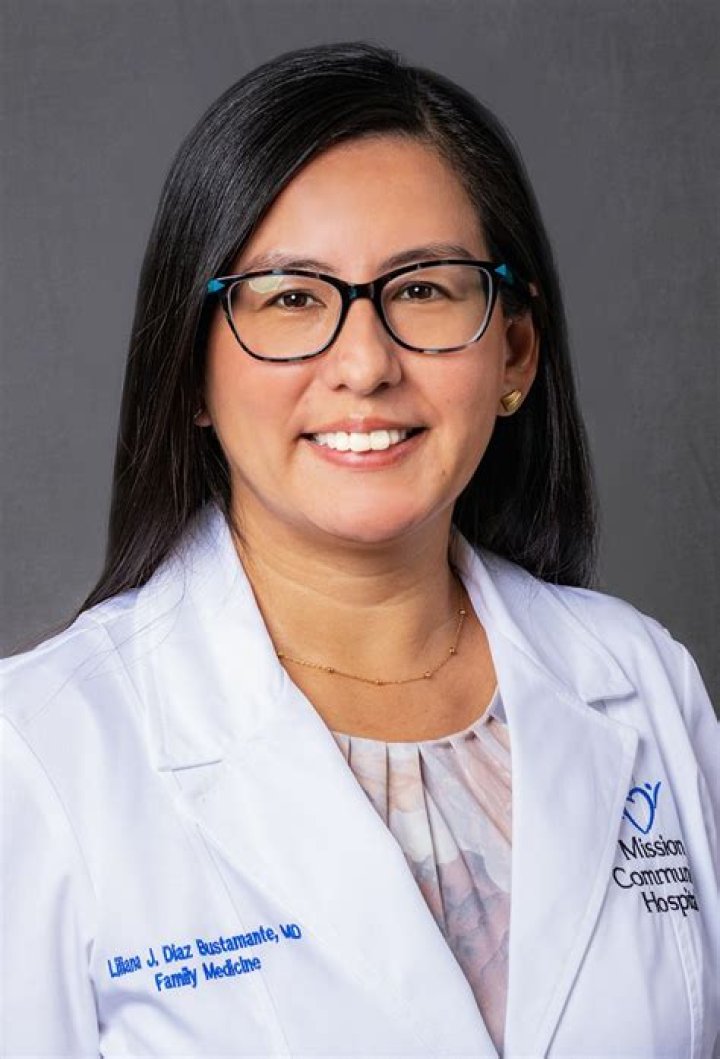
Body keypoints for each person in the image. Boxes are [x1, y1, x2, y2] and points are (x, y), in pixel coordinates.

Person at [1, 41, 717, 1058]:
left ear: (513, 351)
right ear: (192, 373)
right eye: (291, 297)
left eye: (423, 290)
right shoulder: (39, 754)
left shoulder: (646, 685)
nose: (366, 364)